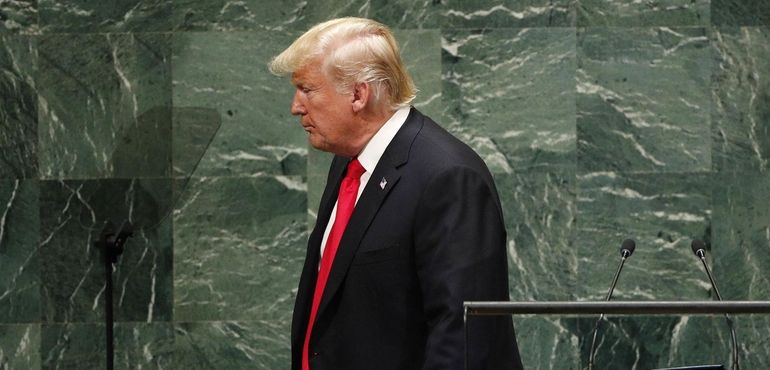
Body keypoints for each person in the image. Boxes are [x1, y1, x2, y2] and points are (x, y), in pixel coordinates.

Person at [269, 17, 523, 370]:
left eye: (307, 89)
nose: (296, 106)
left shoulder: (449, 178)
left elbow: (464, 339)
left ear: (359, 94)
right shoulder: (347, 161)